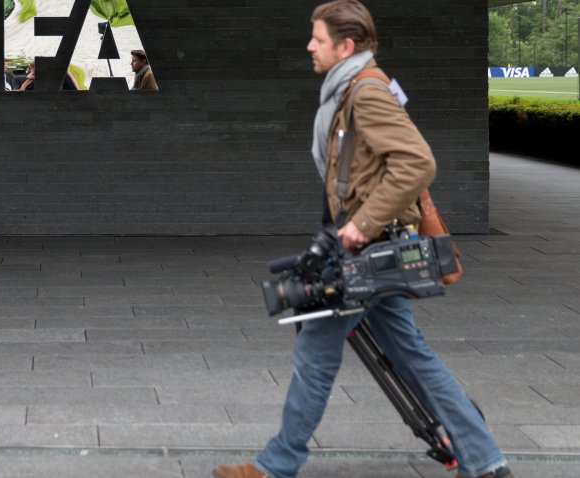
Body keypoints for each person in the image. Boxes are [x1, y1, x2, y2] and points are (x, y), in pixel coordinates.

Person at [212, 2, 514, 478]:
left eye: (318, 38)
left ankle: (275, 467)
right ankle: (486, 462)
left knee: (315, 357)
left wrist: (361, 224)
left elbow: (417, 164)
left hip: (367, 250)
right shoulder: (348, 91)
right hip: (368, 250)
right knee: (412, 356)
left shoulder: (366, 93)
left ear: (345, 46)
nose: (310, 46)